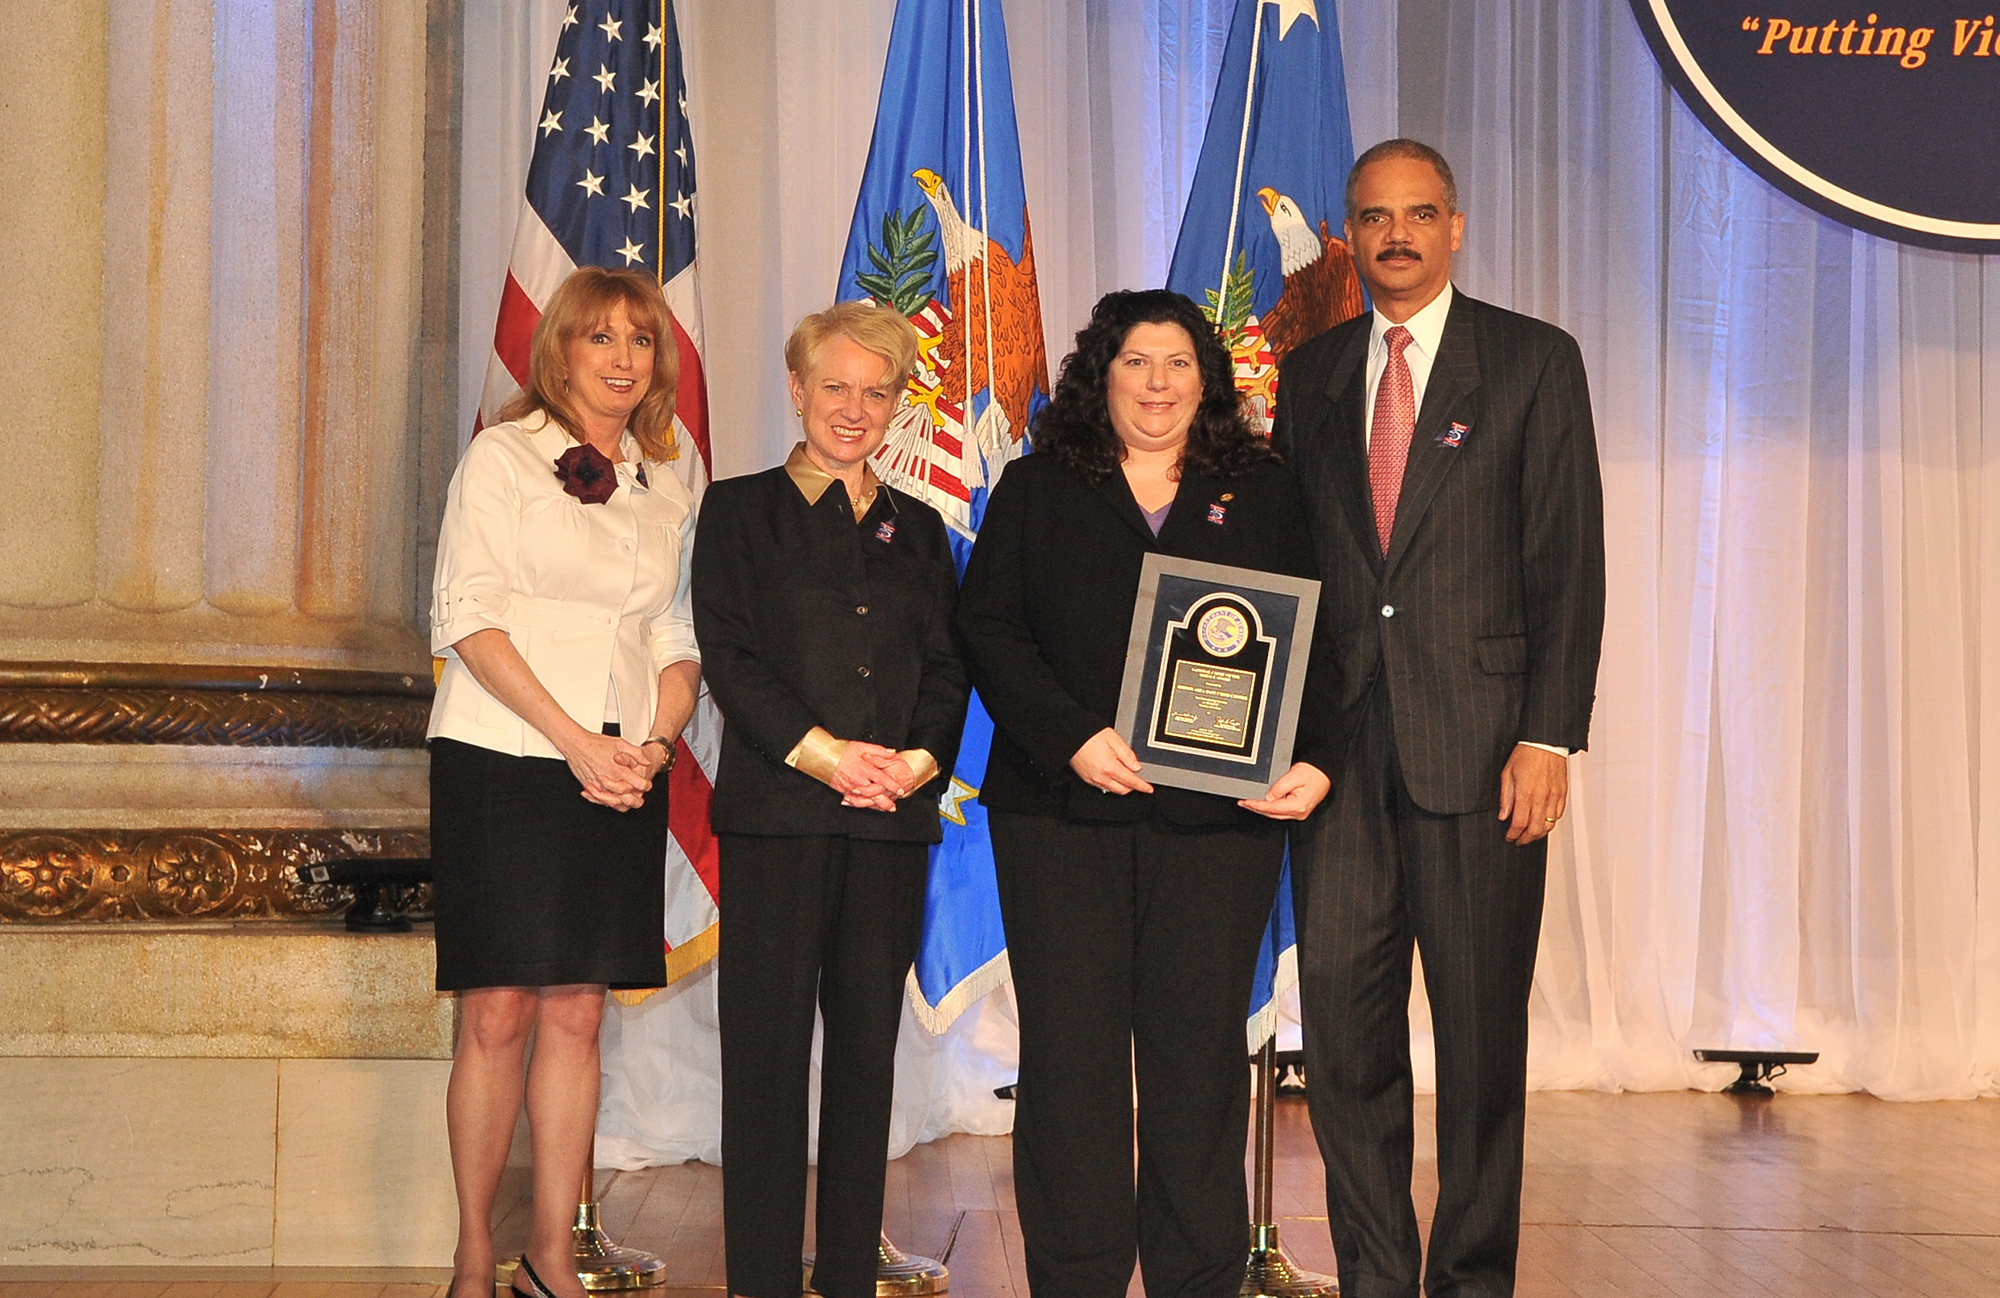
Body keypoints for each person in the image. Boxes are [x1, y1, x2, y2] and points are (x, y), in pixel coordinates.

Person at [1271, 138, 1606, 1298]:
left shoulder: (1530, 361)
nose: (1396, 234)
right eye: (1372, 217)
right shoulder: (1307, 376)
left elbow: (1567, 563)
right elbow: (1291, 569)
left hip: (1484, 758)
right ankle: (1372, 1275)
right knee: (1346, 1050)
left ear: (1454, 227)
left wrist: (1548, 733)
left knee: (1476, 1053)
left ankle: (1468, 1279)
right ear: (1349, 235)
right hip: (1336, 762)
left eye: (1418, 213)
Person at [956, 288, 1338, 1296]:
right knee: (1072, 1061)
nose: (1157, 383)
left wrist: (1318, 754)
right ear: (1100, 373)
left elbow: (1319, 636)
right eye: (1135, 361)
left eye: (1177, 362)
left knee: (1195, 1060)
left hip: (1217, 825)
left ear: (1206, 378)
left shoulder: (1260, 488)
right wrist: (1071, 736)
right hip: (1058, 815)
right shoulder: (1037, 486)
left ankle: (1197, 1274)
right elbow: (988, 628)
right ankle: (1076, 1276)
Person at [425, 267, 702, 1298]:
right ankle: (469, 1254)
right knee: (497, 1008)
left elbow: (677, 639)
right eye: (601, 338)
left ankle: (550, 1253)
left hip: (619, 772)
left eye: (640, 340)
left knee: (579, 1010)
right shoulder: (501, 458)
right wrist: (573, 738)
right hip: (504, 756)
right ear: (562, 351)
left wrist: (655, 744)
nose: (623, 358)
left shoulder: (668, 484)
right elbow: (465, 612)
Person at [691, 301, 969, 1298]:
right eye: (836, 385)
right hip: (777, 818)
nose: (855, 407)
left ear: (898, 404)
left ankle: (849, 1272)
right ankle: (759, 1279)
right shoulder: (735, 510)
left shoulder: (922, 530)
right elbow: (728, 655)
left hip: (890, 825)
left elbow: (947, 666)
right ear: (798, 388)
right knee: (765, 1064)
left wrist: (916, 760)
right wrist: (824, 756)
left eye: (877, 389)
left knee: (863, 1064)